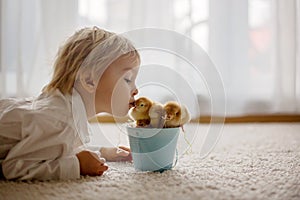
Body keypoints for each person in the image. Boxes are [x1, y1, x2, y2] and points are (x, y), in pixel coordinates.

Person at [0, 26, 140, 180]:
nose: (136, 90)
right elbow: (15, 168)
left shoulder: (66, 111)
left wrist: (103, 151)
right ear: (89, 80)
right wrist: (77, 165)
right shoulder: (58, 120)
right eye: (127, 79)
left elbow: (58, 148)